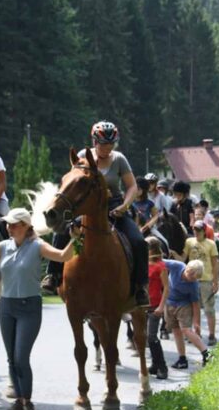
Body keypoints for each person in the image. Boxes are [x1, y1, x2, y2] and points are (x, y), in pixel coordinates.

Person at [0, 208, 74, 410]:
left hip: (29, 307)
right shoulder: (4, 247)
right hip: (7, 306)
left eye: (13, 224)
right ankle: (19, 401)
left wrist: (77, 239)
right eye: (8, 224)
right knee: (11, 358)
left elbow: (64, 256)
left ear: (26, 226)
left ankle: (28, 401)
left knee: (21, 356)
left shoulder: (38, 246)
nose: (9, 228)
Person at [41, 121, 150, 307]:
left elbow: (131, 186)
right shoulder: (83, 156)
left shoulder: (119, 159)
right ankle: (53, 274)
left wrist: (125, 205)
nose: (107, 148)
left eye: (110, 144)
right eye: (103, 144)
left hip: (114, 205)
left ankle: (140, 287)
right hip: (86, 206)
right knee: (62, 229)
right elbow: (72, 182)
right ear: (94, 141)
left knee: (138, 241)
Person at [163, 259, 212, 369]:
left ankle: (206, 353)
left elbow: (196, 304)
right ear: (187, 270)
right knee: (176, 331)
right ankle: (182, 359)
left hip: (184, 305)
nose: (191, 280)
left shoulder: (193, 285)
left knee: (186, 330)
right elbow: (159, 261)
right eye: (191, 277)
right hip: (169, 302)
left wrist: (196, 323)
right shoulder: (176, 266)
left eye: (195, 279)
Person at [181, 220, 219, 346]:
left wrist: (215, 281)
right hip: (192, 280)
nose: (196, 233)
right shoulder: (189, 242)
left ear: (204, 231)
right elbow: (183, 258)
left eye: (199, 230)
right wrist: (173, 255)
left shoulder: (211, 244)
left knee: (209, 308)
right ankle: (195, 333)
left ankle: (212, 334)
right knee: (191, 308)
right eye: (195, 230)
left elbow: (215, 263)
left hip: (206, 279)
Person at [145, 237, 170, 380]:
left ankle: (162, 367)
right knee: (147, 337)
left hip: (155, 306)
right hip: (144, 305)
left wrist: (161, 306)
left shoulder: (161, 266)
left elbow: (166, 288)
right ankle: (155, 365)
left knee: (152, 336)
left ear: (152, 249)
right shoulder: (144, 263)